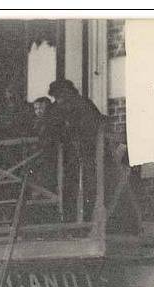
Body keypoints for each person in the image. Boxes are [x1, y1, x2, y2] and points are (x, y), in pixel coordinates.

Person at [48, 79, 105, 221]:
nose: (57, 100)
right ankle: (70, 220)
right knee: (68, 188)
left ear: (66, 93)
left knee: (87, 186)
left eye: (59, 96)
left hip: (85, 153)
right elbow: (51, 127)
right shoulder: (59, 108)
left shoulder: (82, 105)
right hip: (68, 156)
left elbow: (93, 126)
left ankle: (85, 220)